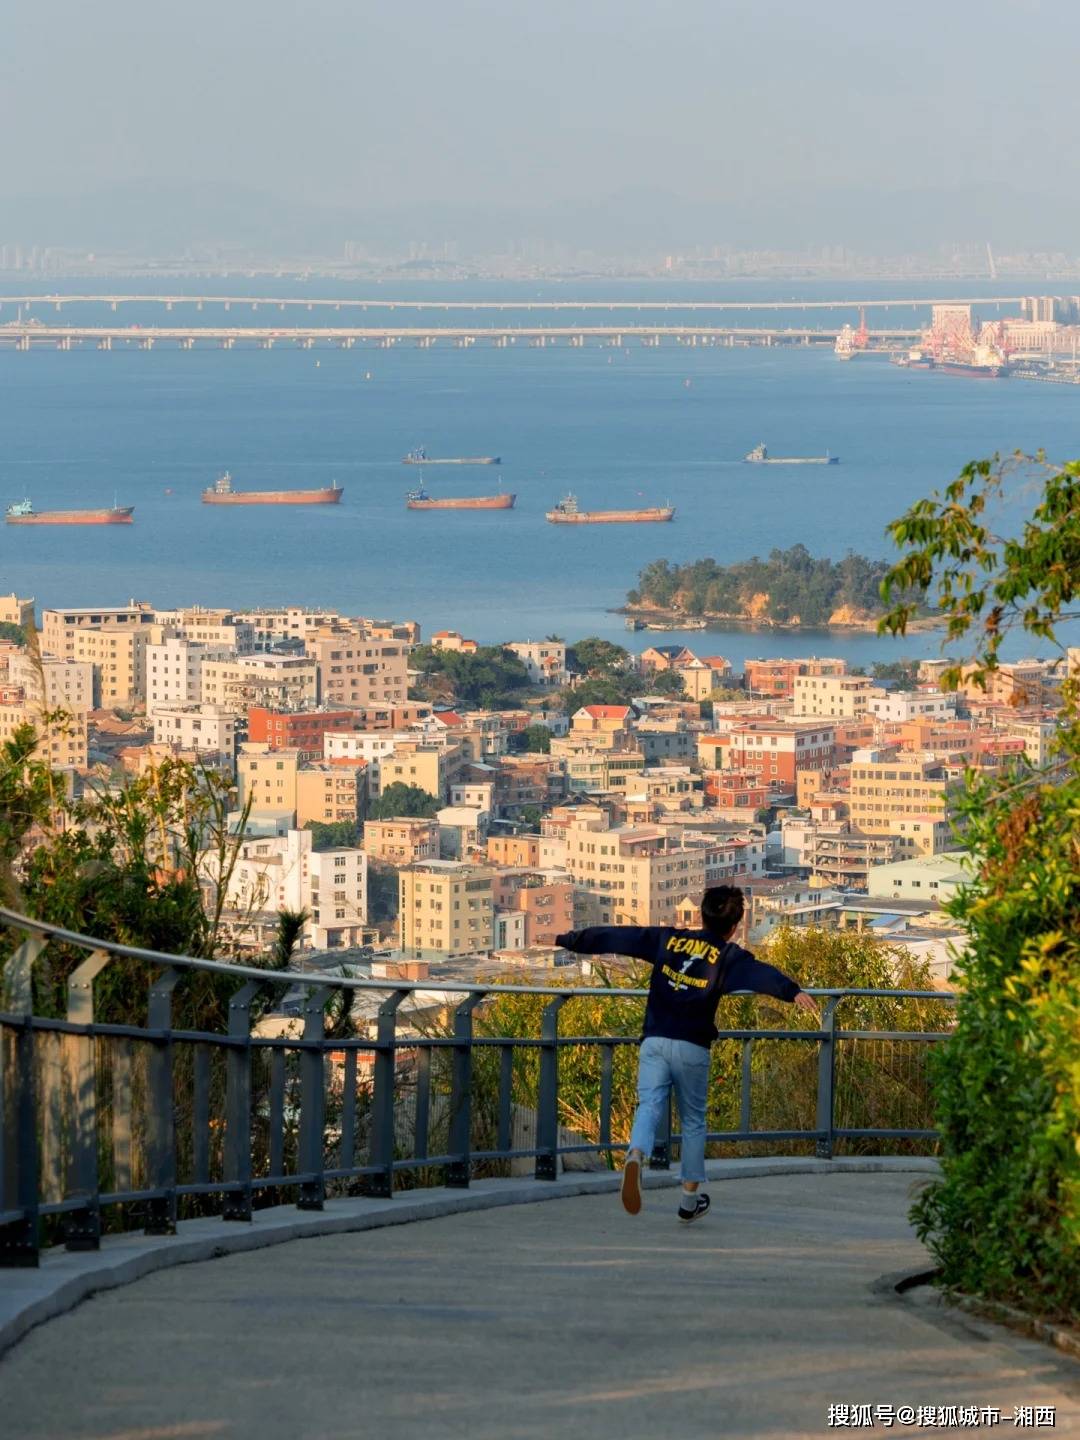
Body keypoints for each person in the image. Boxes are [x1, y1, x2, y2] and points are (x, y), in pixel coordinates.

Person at [556, 885, 818, 1223]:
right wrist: (792, 992)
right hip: (692, 1046)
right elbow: (761, 974)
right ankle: (689, 1201)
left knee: (649, 1105)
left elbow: (619, 937)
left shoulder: (668, 939)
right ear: (735, 926)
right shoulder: (728, 956)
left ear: (699, 915)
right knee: (693, 1120)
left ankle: (636, 1154)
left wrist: (570, 939)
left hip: (654, 1040)